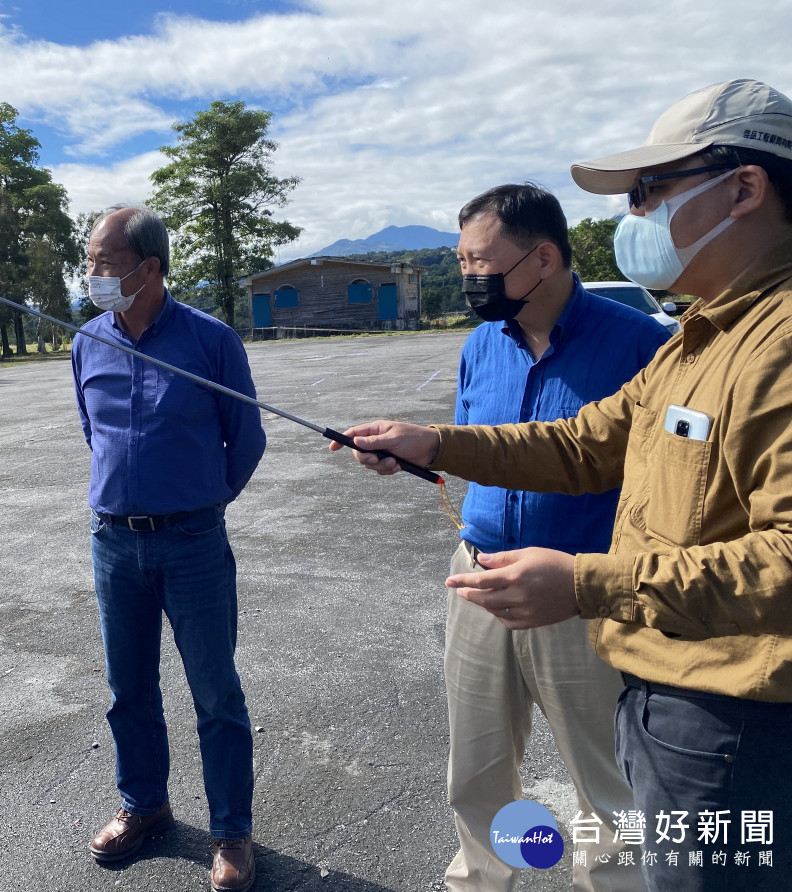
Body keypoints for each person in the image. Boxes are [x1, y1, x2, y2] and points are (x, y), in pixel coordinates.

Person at [334, 79, 792, 892]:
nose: (636, 216)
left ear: (746, 188)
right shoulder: (699, 338)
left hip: (731, 716)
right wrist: (436, 441)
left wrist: (584, 580)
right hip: (661, 681)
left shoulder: (770, 343)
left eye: (651, 191)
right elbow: (583, 444)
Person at [438, 183, 669, 891]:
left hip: (582, 592)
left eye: (481, 261)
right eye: (461, 261)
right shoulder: (481, 345)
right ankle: (482, 877)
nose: (469, 277)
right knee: (475, 768)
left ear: (543, 259)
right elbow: (476, 448)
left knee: (607, 779)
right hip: (477, 576)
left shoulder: (643, 348)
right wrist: (419, 453)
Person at [72, 205, 266, 892]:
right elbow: (94, 433)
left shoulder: (211, 342)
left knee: (215, 693)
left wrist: (196, 504)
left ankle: (231, 832)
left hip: (192, 544)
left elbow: (246, 442)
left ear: (149, 268)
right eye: (90, 259)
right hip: (114, 543)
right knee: (129, 690)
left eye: (102, 262)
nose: (91, 273)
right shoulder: (88, 341)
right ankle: (145, 806)